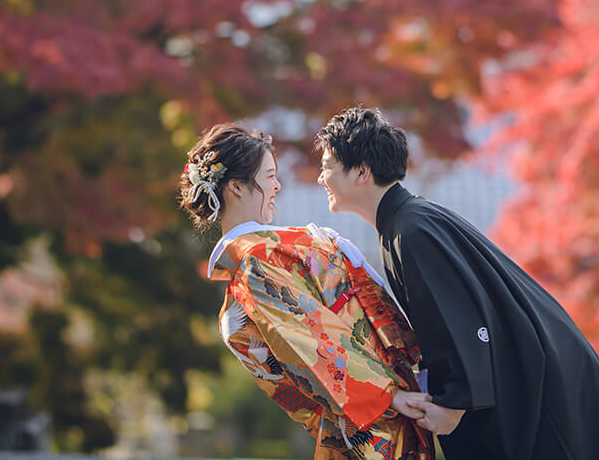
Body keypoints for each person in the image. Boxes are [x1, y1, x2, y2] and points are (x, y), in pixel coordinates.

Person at [315, 107, 599, 460]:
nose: (322, 178)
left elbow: (458, 319)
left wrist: (454, 404)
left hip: (538, 388)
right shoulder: (412, 221)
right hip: (542, 369)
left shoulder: (411, 230)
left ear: (362, 172)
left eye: (327, 167)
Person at [180, 123, 435, 460]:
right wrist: (388, 395)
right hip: (374, 417)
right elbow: (306, 341)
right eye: (269, 175)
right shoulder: (257, 259)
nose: (277, 185)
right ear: (237, 187)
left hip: (365, 413)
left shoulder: (259, 258)